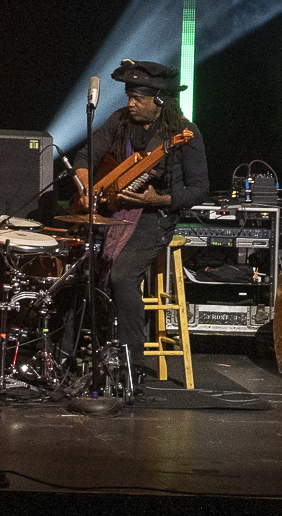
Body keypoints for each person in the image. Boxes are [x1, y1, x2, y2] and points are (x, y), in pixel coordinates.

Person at [69, 59, 207, 377]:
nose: (130, 103)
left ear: (159, 100)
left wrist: (158, 198)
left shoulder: (185, 133)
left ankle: (131, 367)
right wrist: (88, 185)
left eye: (137, 98)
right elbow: (84, 156)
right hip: (113, 210)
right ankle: (68, 355)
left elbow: (200, 190)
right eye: (129, 96)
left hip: (154, 217)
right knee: (78, 268)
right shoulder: (120, 120)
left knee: (121, 276)